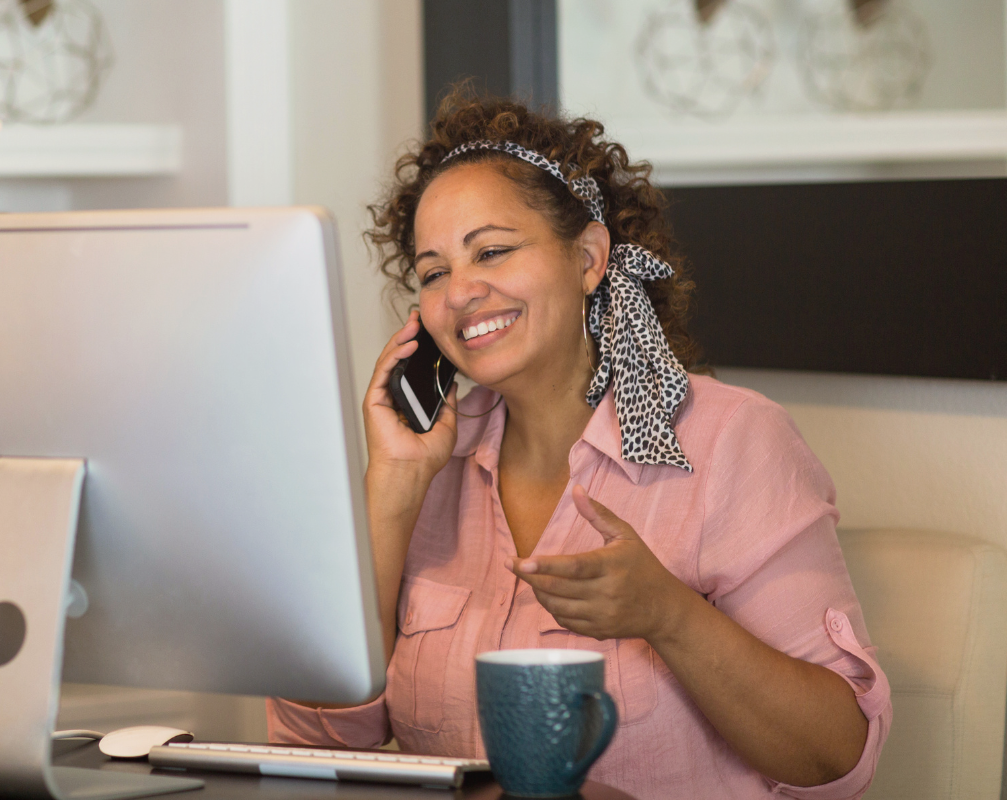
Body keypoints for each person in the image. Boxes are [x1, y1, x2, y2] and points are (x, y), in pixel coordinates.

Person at [267, 94, 891, 800]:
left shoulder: (731, 439)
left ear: (589, 258)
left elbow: (837, 756)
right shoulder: (428, 465)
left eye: (493, 251)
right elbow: (309, 748)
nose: (461, 292)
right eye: (434, 271)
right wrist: (392, 491)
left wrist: (668, 615)